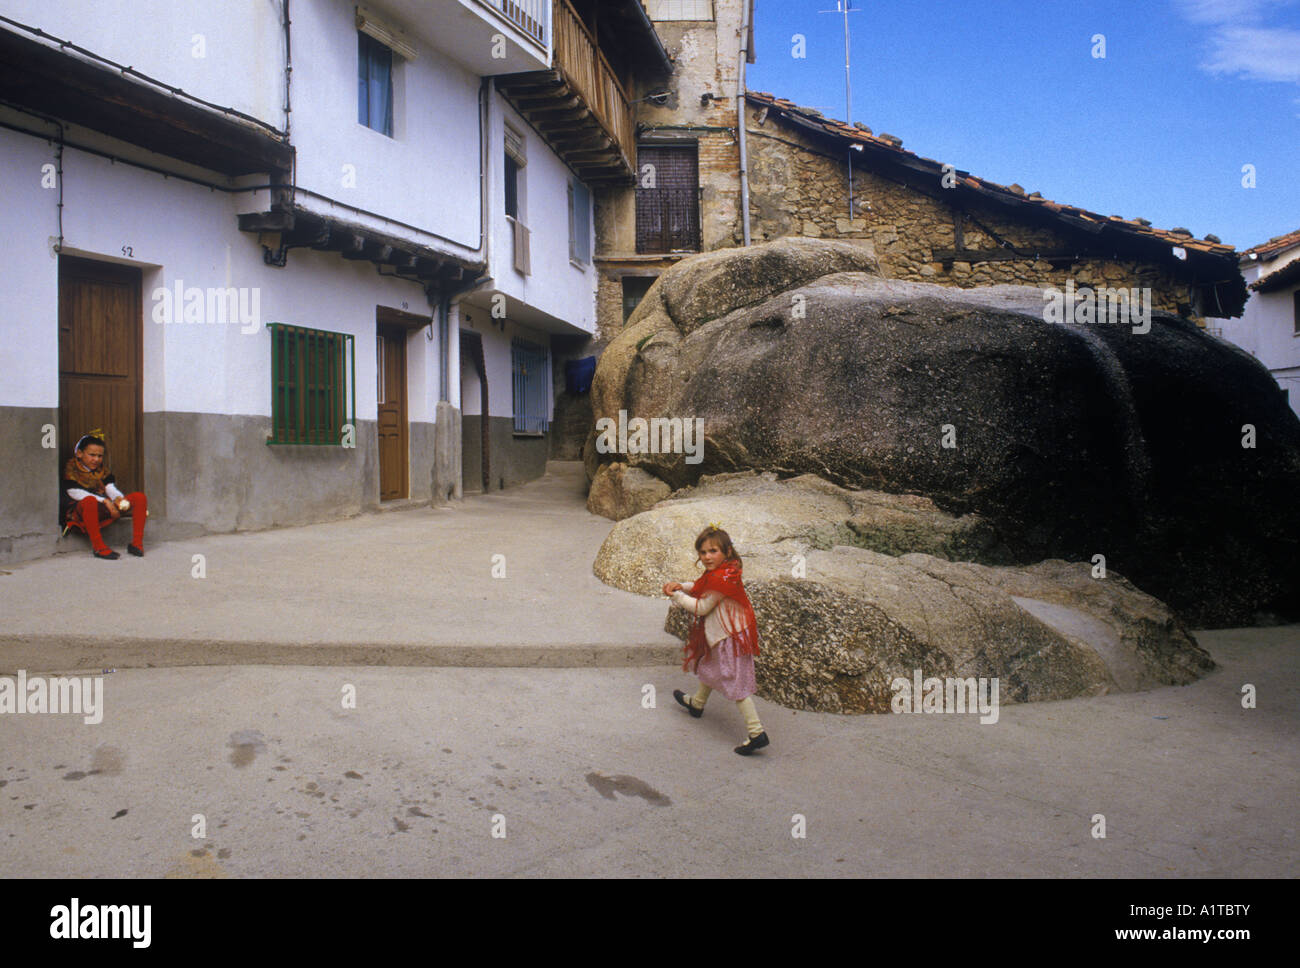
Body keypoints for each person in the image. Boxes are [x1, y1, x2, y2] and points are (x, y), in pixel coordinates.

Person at [663, 523, 769, 755]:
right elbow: (702, 586)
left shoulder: (722, 580)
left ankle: (756, 732)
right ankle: (697, 704)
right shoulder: (724, 571)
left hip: (729, 636)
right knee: (710, 667)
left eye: (713, 551)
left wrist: (677, 595)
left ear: (727, 551)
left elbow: (701, 607)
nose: (707, 557)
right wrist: (684, 585)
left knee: (735, 683)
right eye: (702, 552)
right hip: (725, 632)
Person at [61, 431, 148, 560]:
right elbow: (74, 492)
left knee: (139, 497)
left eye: (99, 456)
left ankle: (137, 544)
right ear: (79, 453)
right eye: (92, 455)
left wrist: (118, 499)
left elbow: (109, 488)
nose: (96, 459)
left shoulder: (101, 470)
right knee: (89, 500)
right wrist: (105, 501)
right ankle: (99, 547)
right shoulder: (71, 469)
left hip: (102, 506)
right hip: (82, 510)